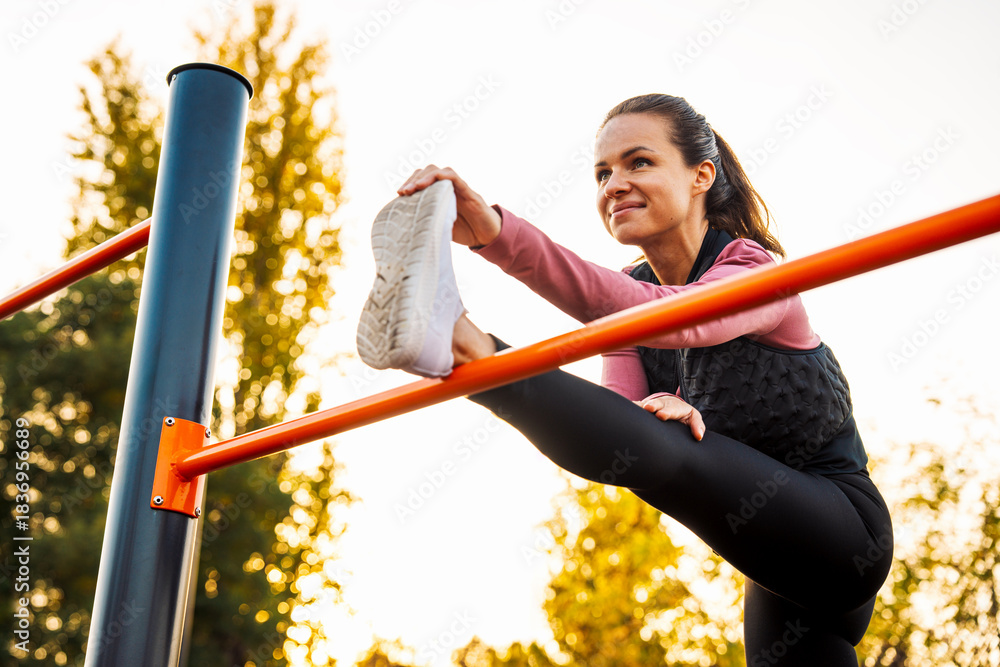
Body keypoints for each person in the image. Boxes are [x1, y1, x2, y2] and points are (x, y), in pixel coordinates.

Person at [356, 94, 893, 665]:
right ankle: (464, 346)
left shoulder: (756, 272)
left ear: (700, 176)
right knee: (653, 449)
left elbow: (668, 316)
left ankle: (464, 344)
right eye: (602, 172)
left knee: (671, 450)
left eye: (639, 162)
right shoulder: (632, 299)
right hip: (778, 566)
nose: (613, 184)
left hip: (843, 532)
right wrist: (658, 412)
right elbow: (621, 431)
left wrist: (496, 232)